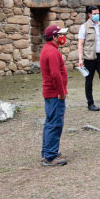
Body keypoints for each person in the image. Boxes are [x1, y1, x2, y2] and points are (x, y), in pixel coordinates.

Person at [40, 24, 69, 166]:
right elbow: (55, 74)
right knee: (55, 123)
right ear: (55, 36)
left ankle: (47, 152)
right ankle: (50, 156)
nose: (62, 37)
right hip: (54, 94)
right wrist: (61, 92)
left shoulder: (49, 50)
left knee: (50, 122)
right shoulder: (52, 52)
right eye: (60, 35)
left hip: (51, 93)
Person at [77, 5, 100, 111]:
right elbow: (80, 44)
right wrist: (80, 59)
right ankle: (90, 103)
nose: (97, 15)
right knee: (89, 80)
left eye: (98, 13)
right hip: (89, 57)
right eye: (94, 13)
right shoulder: (84, 27)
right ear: (89, 14)